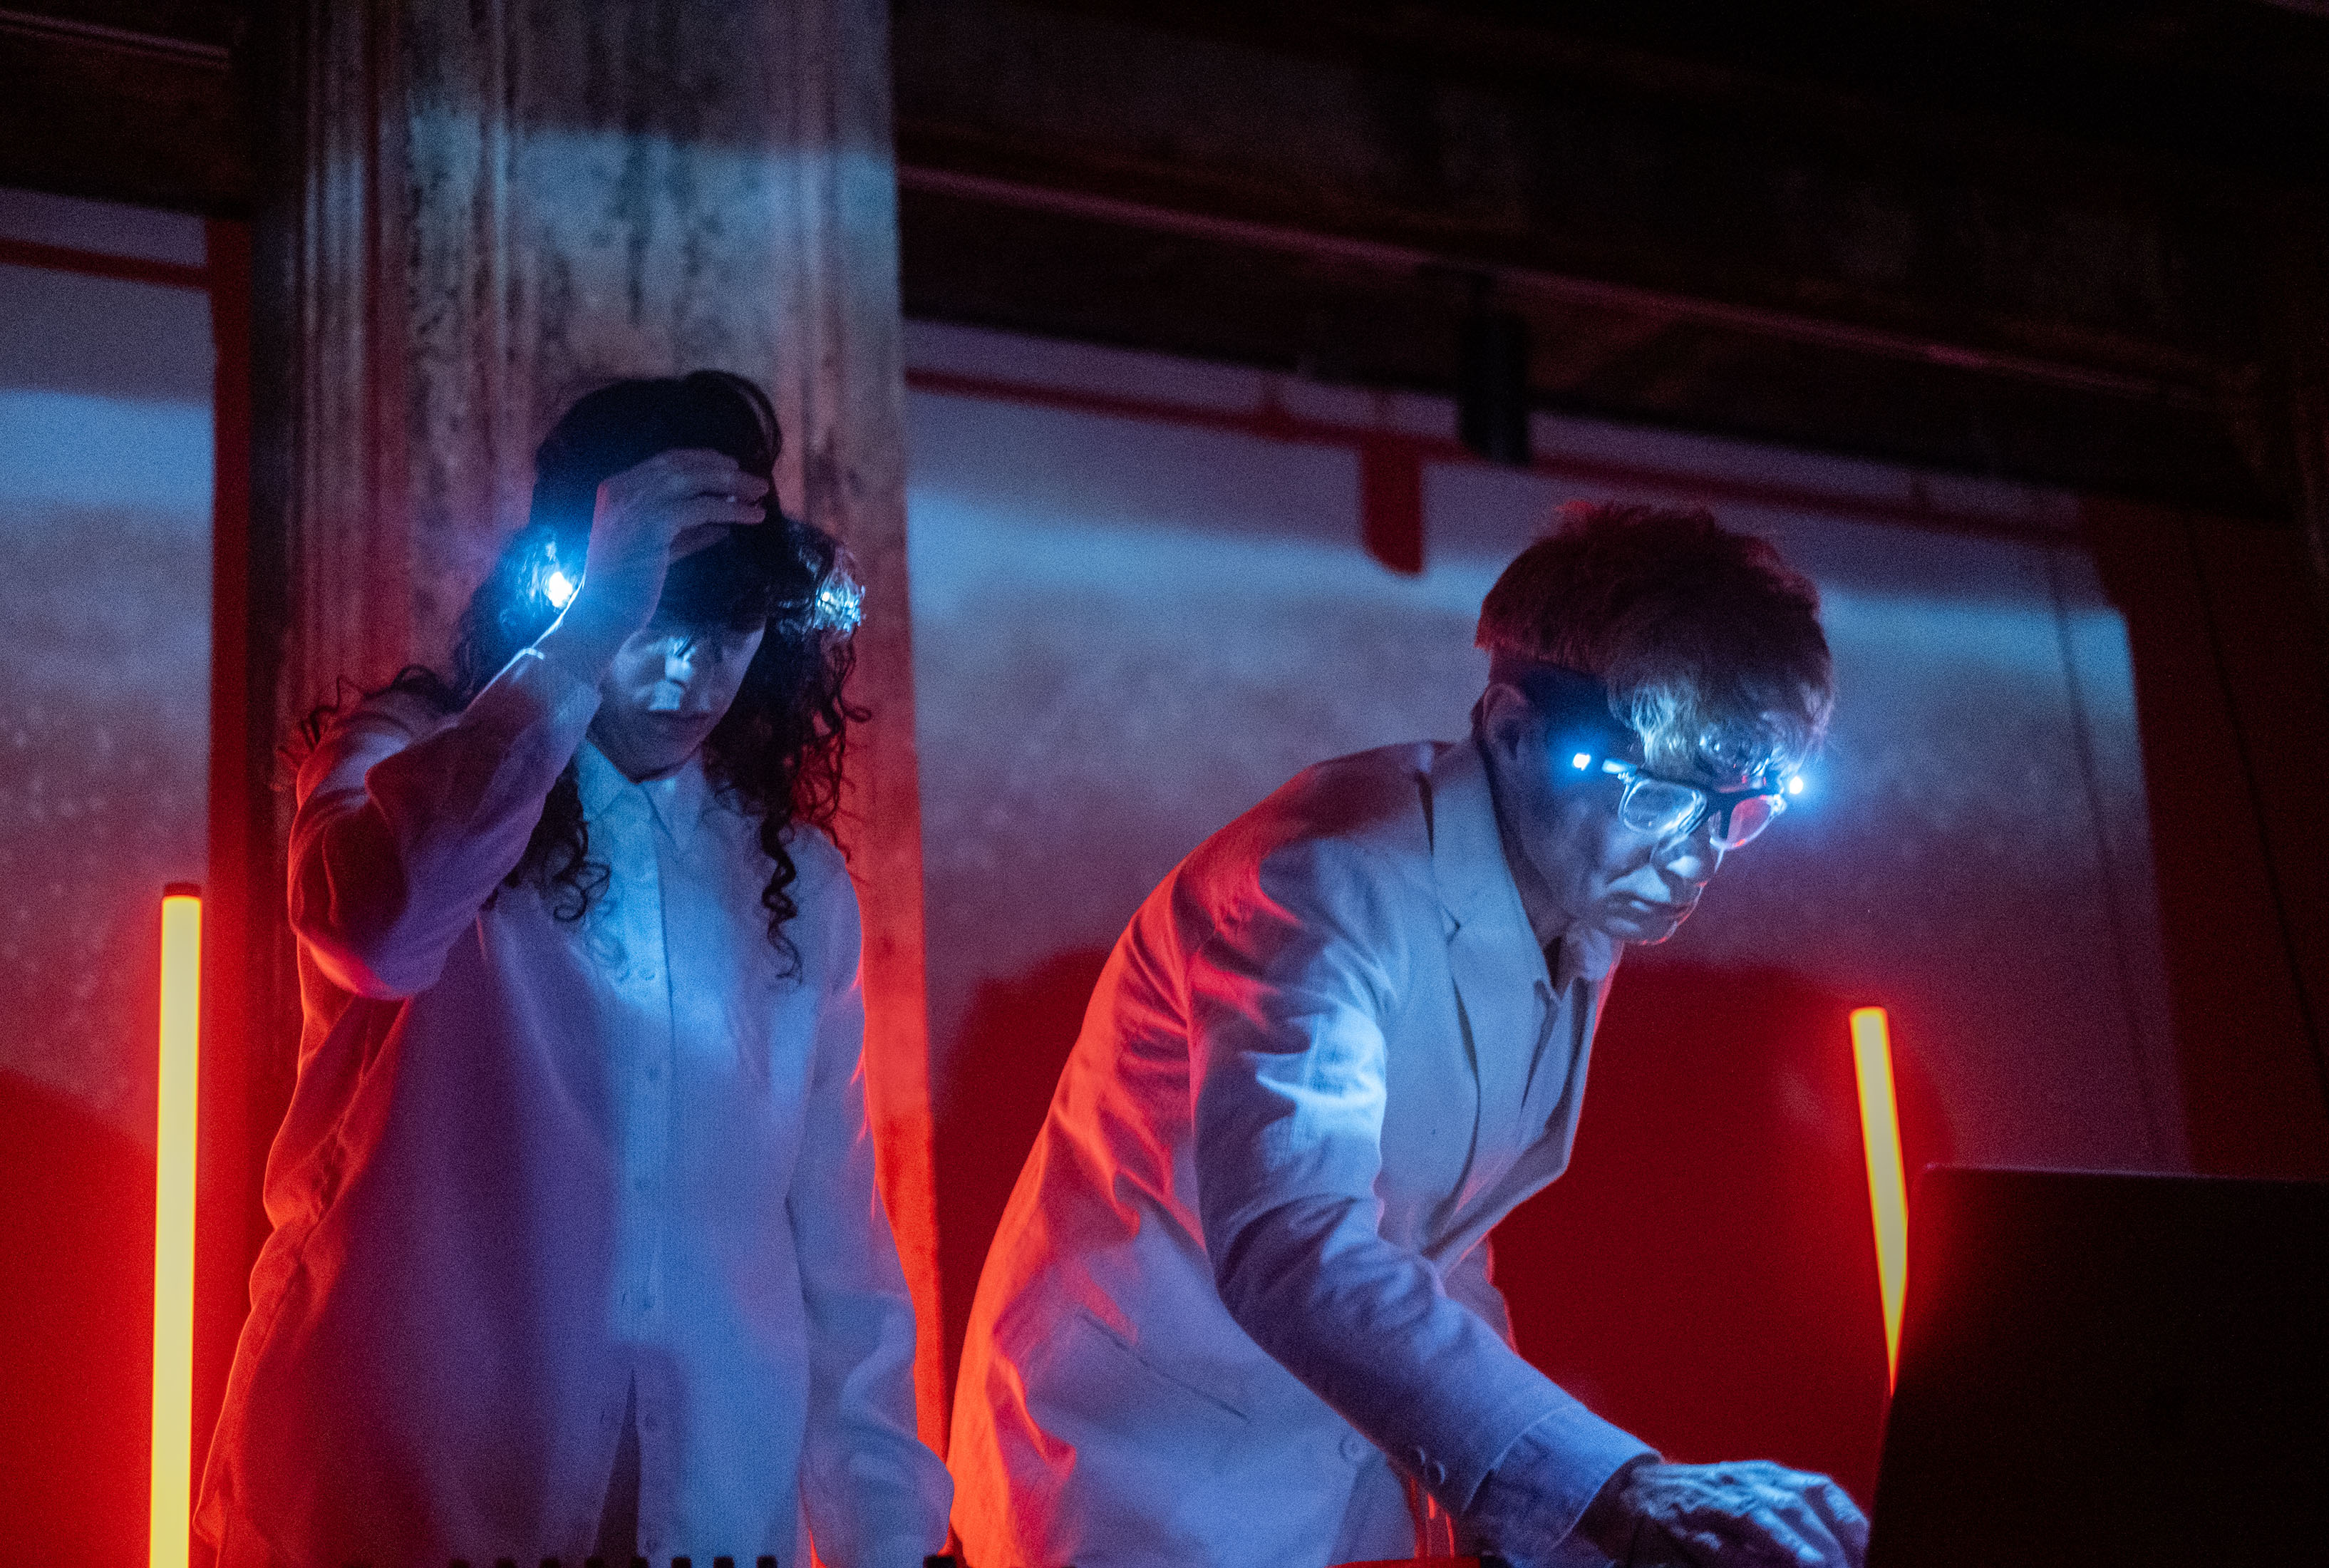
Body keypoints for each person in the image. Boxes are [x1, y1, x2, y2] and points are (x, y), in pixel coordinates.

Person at [948, 503, 1867, 1568]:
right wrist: (1613, 1489)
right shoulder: (1328, 878)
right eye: (1662, 799)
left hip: (1312, 1492)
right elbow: (1294, 1244)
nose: (1701, 854)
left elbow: (1438, 1241)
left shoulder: (1581, 895)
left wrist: (1540, 1512)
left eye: (1742, 812)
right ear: (1518, 730)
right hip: (1132, 1486)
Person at [199, 373, 952, 1568]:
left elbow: (839, 1259)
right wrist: (589, 625)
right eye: (654, 625)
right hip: (397, 1508)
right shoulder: (400, 759)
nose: (687, 680)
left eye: (728, 634)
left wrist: (895, 1539)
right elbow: (378, 930)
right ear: (571, 592)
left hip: (706, 1521)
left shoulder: (792, 875)